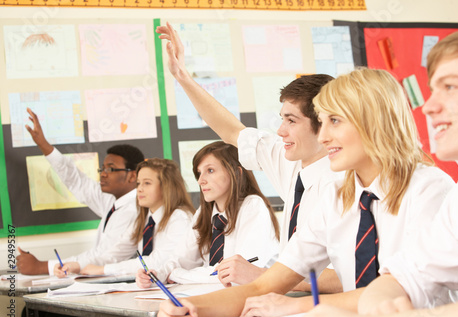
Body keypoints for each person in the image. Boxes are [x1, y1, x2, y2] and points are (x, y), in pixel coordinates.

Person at [155, 67, 457, 317]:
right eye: (322, 122)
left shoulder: (429, 189)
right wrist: (191, 307)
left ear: (371, 121)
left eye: (334, 121)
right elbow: (264, 284)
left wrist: (297, 307)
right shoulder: (336, 195)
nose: (323, 137)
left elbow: (397, 293)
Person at [301, 23, 458, 317]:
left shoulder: (435, 187)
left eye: (449, 87)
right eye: (432, 90)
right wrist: (383, 304)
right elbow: (404, 276)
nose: (430, 107)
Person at [157, 22, 342, 292]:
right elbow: (231, 130)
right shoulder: (288, 160)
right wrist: (183, 77)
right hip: (285, 298)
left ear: (323, 123)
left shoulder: (343, 182)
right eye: (281, 119)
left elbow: (346, 277)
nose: (280, 131)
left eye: (291, 120)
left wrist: (264, 276)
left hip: (319, 305)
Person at [16, 107, 143, 276]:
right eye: (102, 168)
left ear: (132, 176)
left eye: (111, 169)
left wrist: (43, 267)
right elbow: (77, 181)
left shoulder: (134, 210)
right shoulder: (113, 202)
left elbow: (105, 256)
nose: (103, 174)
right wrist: (44, 145)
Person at [136, 141, 280, 286]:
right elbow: (180, 259)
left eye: (210, 171)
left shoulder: (253, 206)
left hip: (260, 296)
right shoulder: (204, 213)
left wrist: (177, 274)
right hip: (216, 295)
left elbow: (235, 275)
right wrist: (157, 275)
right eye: (199, 173)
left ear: (236, 173)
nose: (200, 180)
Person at [55, 158, 194, 277]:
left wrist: (103, 270)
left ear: (167, 187)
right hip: (150, 287)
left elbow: (155, 263)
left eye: (147, 183)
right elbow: (115, 253)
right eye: (138, 183)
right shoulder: (145, 219)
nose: (139, 189)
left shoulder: (180, 218)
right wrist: (77, 265)